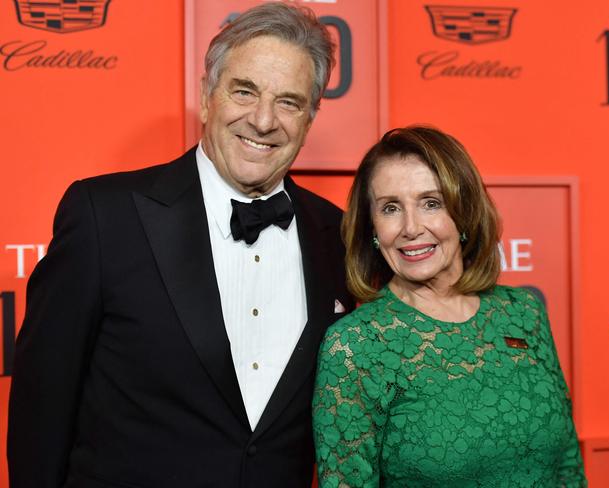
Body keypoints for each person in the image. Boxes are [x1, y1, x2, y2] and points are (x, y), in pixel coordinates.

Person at [8, 3, 354, 487]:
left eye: (289, 102)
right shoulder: (104, 217)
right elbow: (41, 403)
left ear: (310, 118)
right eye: (244, 91)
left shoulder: (338, 236)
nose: (262, 119)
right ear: (208, 97)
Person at [312, 126, 586, 487]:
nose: (411, 228)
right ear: (373, 229)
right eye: (391, 208)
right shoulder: (355, 347)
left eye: (431, 203)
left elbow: (567, 462)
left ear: (464, 213)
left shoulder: (524, 313)